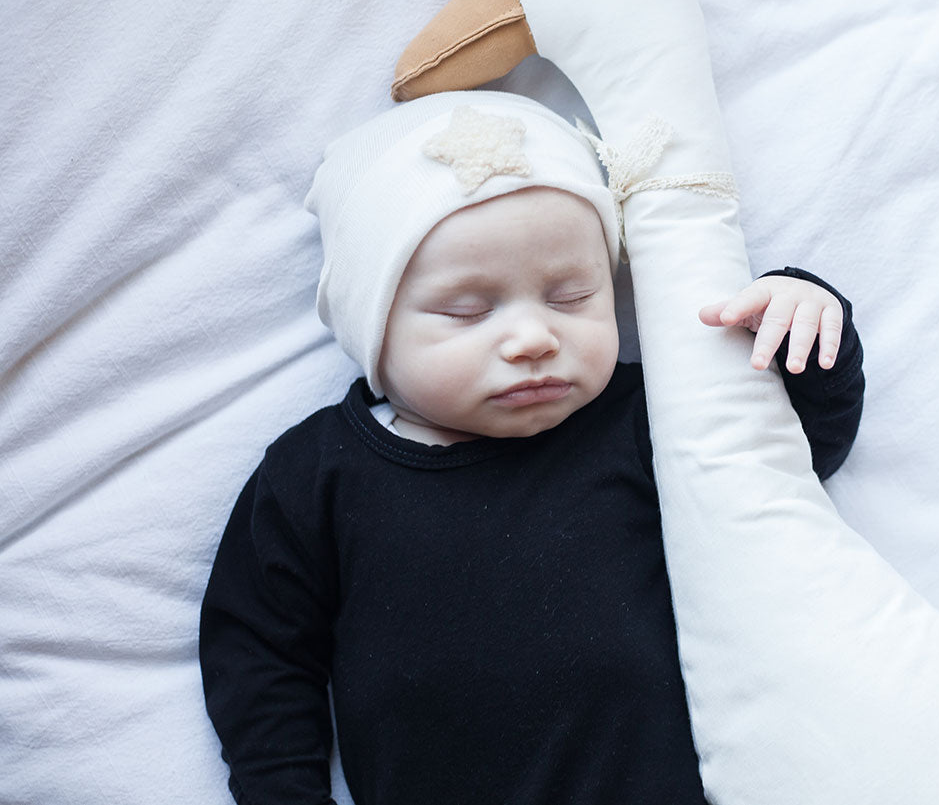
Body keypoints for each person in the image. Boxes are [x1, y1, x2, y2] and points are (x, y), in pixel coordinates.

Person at [199, 90, 865, 805]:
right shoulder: (315, 479)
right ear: (372, 326)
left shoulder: (646, 420)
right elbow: (257, 651)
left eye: (572, 296)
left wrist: (805, 329)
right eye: (468, 310)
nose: (531, 337)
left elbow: (782, 462)